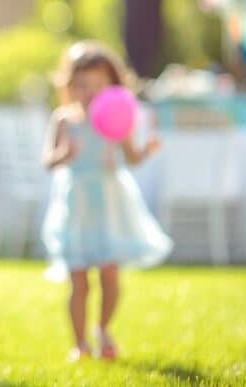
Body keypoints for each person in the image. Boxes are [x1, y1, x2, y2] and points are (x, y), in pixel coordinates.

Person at [41, 41, 172, 361]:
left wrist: (145, 150)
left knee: (110, 276)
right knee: (79, 281)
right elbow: (48, 161)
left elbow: (132, 157)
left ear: (113, 86)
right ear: (70, 86)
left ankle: (103, 328)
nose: (90, 92)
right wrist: (63, 154)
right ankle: (79, 343)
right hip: (78, 208)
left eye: (99, 85)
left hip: (110, 206)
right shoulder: (64, 120)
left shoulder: (116, 120)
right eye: (83, 85)